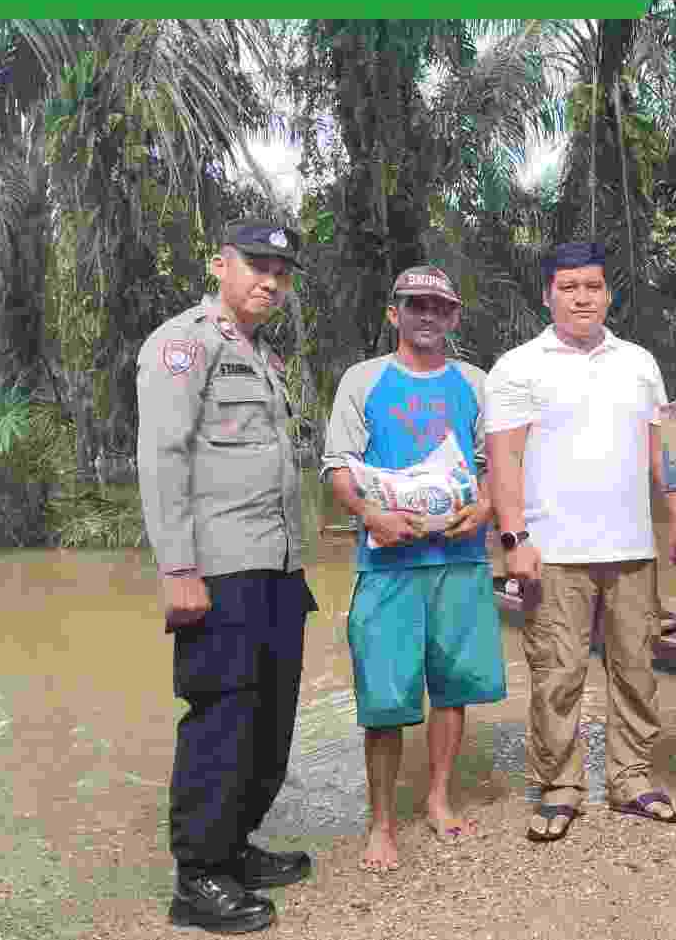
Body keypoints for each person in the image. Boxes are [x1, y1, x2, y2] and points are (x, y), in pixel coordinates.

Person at [137, 222, 317, 934]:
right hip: (219, 566)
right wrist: (179, 567)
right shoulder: (184, 344)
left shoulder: (262, 356)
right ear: (221, 264)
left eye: (282, 270)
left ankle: (234, 847)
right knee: (221, 715)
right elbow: (162, 458)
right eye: (257, 265)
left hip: (274, 565)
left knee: (270, 717)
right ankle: (198, 876)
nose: (270, 280)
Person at [484, 240, 676, 842]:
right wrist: (514, 537)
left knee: (636, 669)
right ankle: (561, 785)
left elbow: (660, 448)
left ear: (609, 293)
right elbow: (506, 458)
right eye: (570, 286)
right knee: (557, 672)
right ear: (548, 294)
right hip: (553, 550)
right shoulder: (519, 366)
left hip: (631, 547)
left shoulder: (638, 362)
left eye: (594, 286)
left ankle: (631, 778)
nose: (583, 296)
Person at [321, 266, 506, 871]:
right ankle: (380, 823)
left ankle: (438, 798)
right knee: (385, 695)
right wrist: (370, 514)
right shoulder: (364, 380)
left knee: (452, 688)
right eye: (414, 305)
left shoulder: (475, 383)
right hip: (388, 563)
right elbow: (338, 467)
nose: (427, 315)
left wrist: (485, 506)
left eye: (438, 306)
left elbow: (492, 464)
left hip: (460, 558)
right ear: (393, 312)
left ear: (454, 317)